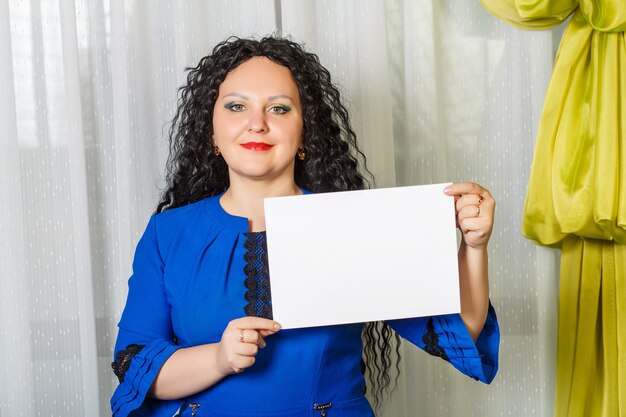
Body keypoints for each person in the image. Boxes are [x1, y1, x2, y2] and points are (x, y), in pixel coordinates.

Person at [110, 36, 499, 417]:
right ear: (211, 133)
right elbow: (135, 365)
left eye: (278, 109)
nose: (257, 124)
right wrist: (219, 358)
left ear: (304, 133)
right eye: (235, 106)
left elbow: (461, 329)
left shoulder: (353, 226)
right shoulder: (167, 234)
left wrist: (474, 247)